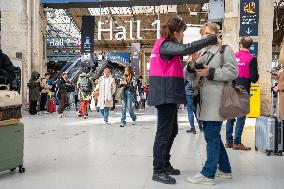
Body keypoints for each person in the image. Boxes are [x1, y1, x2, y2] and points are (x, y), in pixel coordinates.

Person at [148, 16, 218, 185]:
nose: (183, 37)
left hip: (167, 93)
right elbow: (187, 48)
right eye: (182, 33)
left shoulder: (165, 46)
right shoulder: (164, 45)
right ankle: (158, 170)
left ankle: (164, 163)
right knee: (164, 133)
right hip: (164, 95)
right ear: (175, 32)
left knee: (171, 131)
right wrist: (210, 38)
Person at [186, 23, 238, 185]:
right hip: (203, 101)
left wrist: (211, 72)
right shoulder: (201, 53)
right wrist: (191, 66)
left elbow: (233, 71)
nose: (204, 37)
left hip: (217, 99)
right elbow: (191, 80)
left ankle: (208, 174)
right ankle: (225, 168)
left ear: (216, 34)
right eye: (202, 34)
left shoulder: (225, 50)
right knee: (213, 135)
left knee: (211, 136)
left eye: (208, 34)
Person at [225, 36, 259, 151]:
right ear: (250, 46)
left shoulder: (233, 56)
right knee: (241, 117)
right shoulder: (252, 58)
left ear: (240, 45)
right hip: (243, 90)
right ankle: (237, 142)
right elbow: (254, 79)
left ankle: (228, 141)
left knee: (231, 116)